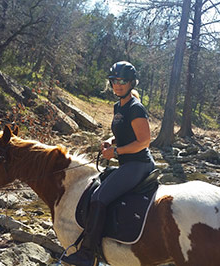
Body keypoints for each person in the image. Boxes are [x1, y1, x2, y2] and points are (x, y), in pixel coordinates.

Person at [63, 61, 155, 266]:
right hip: (127, 163)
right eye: (114, 81)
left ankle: (87, 254)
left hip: (138, 164)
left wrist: (116, 151)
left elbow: (144, 141)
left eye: (122, 81)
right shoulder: (118, 106)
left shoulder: (135, 108)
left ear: (131, 83)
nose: (117, 85)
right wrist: (111, 141)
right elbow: (125, 134)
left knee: (99, 198)